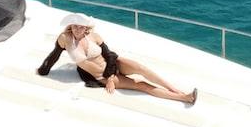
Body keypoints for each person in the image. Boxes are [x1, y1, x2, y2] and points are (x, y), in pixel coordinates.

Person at [36, 13, 197, 105]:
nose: (78, 29)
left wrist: (112, 77)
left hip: (113, 65)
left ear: (86, 28)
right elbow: (54, 55)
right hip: (101, 76)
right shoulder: (65, 39)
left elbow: (109, 55)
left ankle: (173, 89)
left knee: (142, 68)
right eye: (75, 26)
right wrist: (43, 70)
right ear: (70, 26)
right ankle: (184, 97)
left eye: (81, 26)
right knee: (141, 85)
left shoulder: (94, 36)